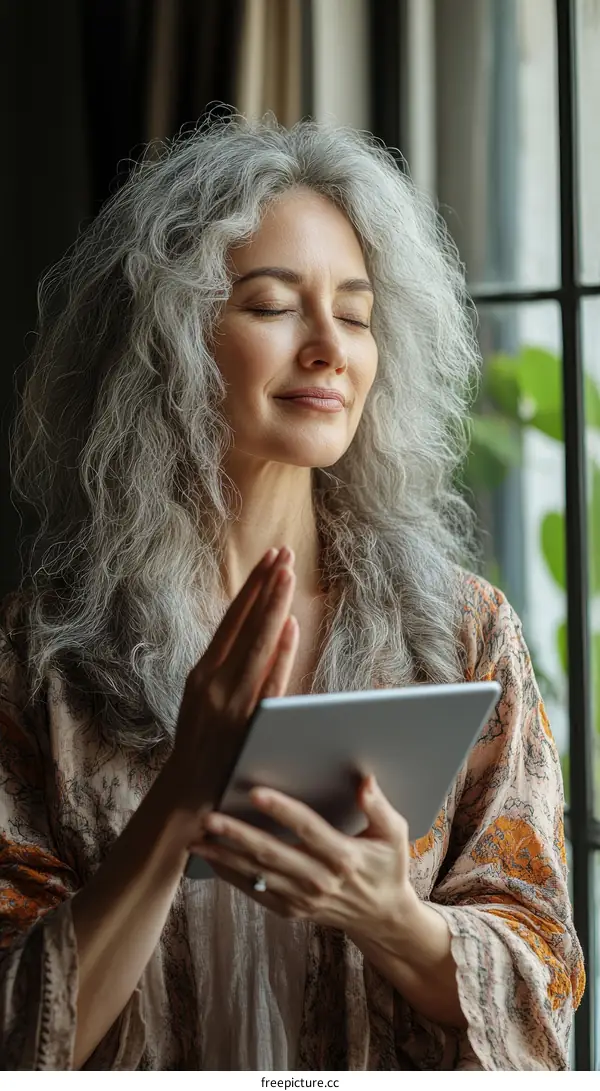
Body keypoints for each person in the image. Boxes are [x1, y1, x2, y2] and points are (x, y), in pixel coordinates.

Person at [0, 111, 584, 1072]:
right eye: (273, 306)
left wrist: (391, 915)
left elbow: (545, 974)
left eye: (354, 314)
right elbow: (16, 1027)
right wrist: (180, 799)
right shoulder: (42, 655)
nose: (329, 349)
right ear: (168, 341)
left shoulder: (464, 633)